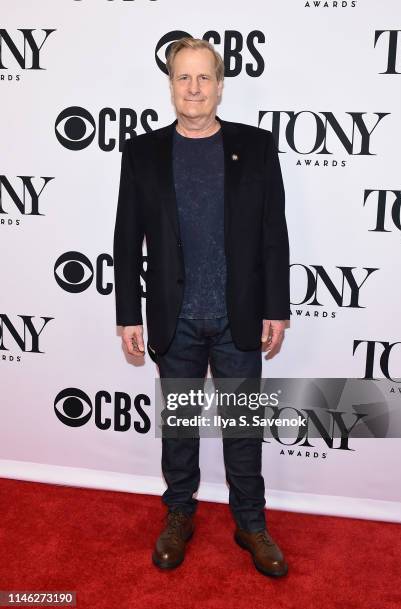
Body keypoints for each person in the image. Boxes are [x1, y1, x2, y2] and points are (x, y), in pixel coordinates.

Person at [113, 37, 290, 578]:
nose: (193, 89)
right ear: (170, 85)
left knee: (241, 427)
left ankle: (250, 523)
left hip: (239, 317)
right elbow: (126, 239)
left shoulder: (256, 147)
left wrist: (276, 308)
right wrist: (128, 315)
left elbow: (273, 235)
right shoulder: (141, 152)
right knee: (181, 427)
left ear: (219, 85)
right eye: (183, 78)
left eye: (204, 78)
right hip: (175, 319)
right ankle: (179, 514)